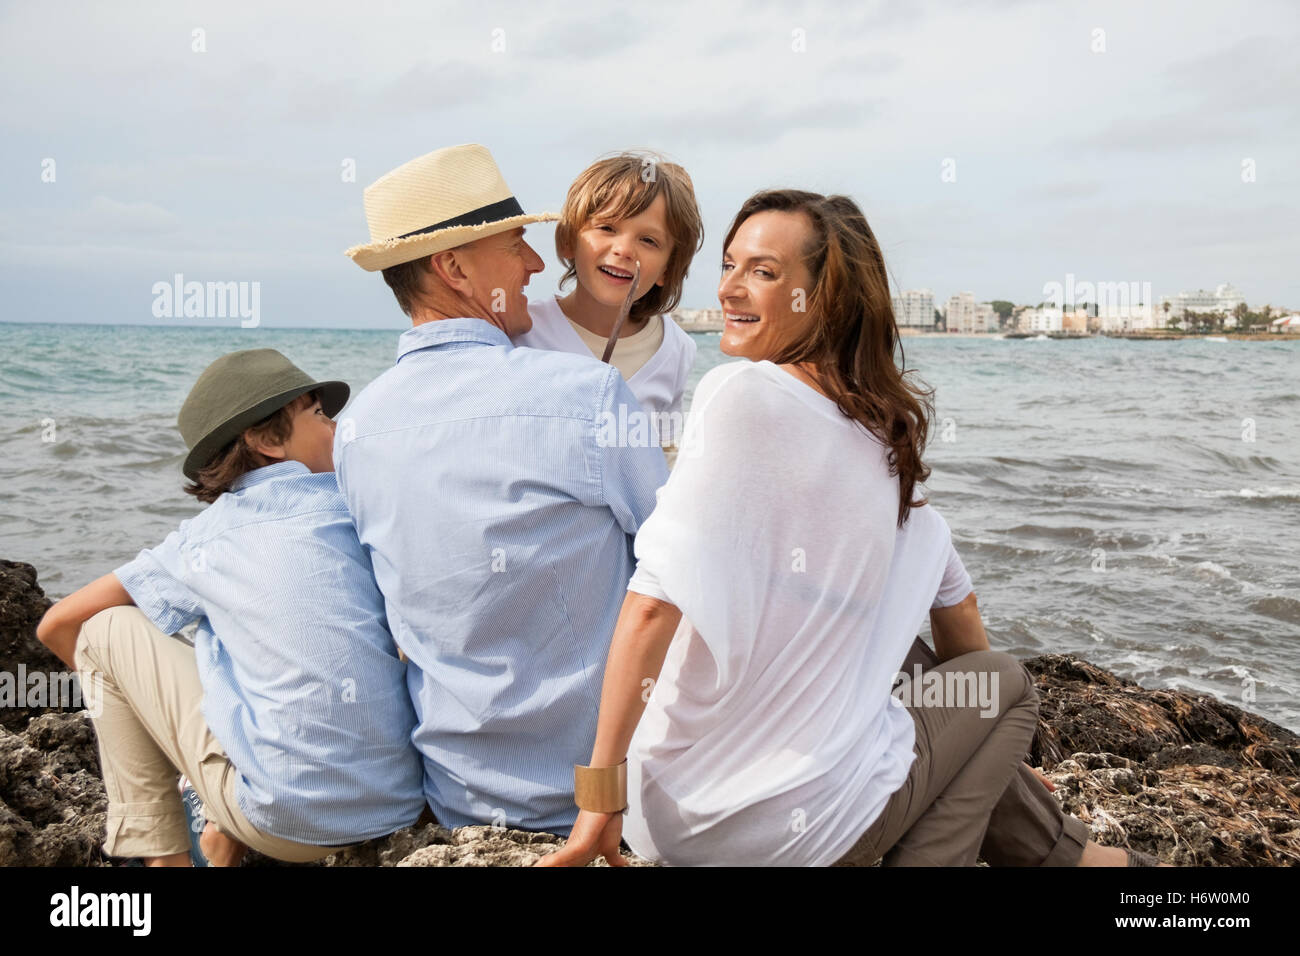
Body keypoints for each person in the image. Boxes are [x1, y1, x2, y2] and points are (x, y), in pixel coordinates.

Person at [537, 189, 1172, 867]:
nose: (730, 288)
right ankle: (1079, 862)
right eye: (730, 265)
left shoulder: (739, 393)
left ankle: (1080, 861)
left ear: (827, 300)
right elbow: (960, 610)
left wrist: (600, 799)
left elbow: (650, 606)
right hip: (788, 836)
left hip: (672, 817)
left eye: (764, 272)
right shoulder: (879, 447)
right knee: (1001, 683)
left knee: (896, 658)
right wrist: (989, 755)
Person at [337, 143, 668, 836]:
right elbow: (682, 577)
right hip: (598, 799)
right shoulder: (587, 396)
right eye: (516, 243)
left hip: (456, 799)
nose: (537, 264)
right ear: (453, 267)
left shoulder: (357, 428)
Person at [36, 349, 426, 867]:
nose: (336, 426)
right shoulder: (362, 509)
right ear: (265, 441)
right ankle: (220, 827)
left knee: (105, 630)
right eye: (318, 415)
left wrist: (152, 716)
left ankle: (166, 855)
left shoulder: (208, 538)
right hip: (400, 804)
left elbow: (58, 624)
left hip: (284, 822)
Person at [511, 151, 702, 458]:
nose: (624, 249)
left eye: (649, 241)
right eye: (607, 228)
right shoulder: (521, 333)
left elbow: (664, 452)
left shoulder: (677, 348)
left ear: (668, 269)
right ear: (569, 240)